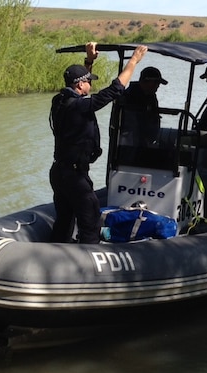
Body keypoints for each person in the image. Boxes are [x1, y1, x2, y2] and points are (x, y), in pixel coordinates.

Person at [49, 42, 148, 243]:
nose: (91, 85)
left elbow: (79, 87)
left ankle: (54, 252)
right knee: (90, 220)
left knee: (64, 219)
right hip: (75, 176)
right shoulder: (80, 107)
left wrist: (89, 61)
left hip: (59, 172)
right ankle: (87, 261)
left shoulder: (59, 101)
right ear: (79, 85)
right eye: (88, 82)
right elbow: (115, 89)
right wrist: (134, 61)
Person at [120, 66, 167, 147]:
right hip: (130, 143)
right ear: (146, 81)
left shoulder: (151, 97)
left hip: (144, 142)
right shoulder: (130, 96)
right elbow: (130, 123)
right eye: (156, 82)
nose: (158, 86)